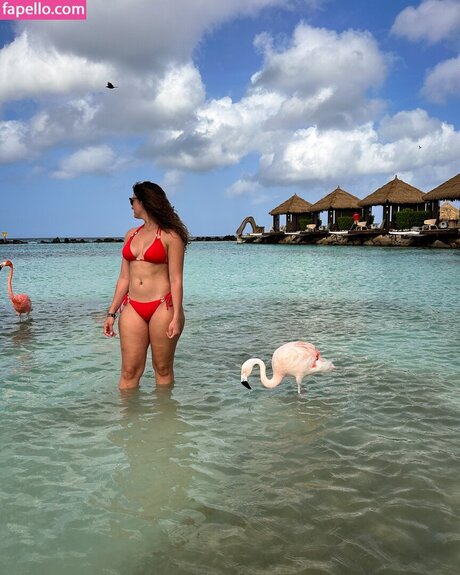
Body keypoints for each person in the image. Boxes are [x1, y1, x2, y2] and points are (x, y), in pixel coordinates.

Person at [103, 181, 190, 390]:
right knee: (129, 371)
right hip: (133, 307)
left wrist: (176, 316)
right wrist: (111, 313)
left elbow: (176, 280)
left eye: (132, 200)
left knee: (162, 369)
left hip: (163, 307)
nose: (131, 205)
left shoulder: (171, 236)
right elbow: (124, 278)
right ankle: (127, 412)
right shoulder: (130, 235)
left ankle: (164, 411)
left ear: (144, 202)